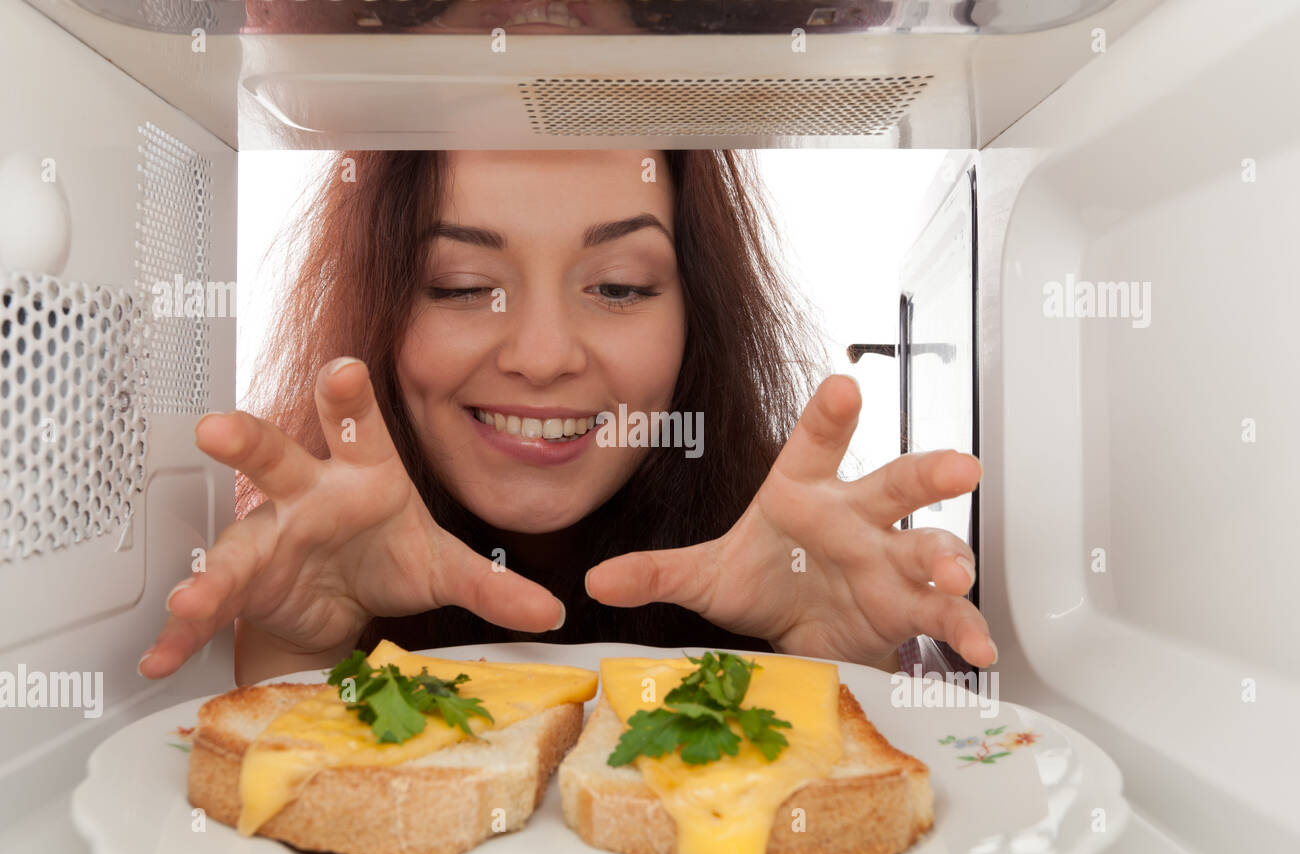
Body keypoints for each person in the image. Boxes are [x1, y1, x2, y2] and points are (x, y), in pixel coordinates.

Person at [137, 150, 992, 686]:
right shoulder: (273, 564)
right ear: (383, 306)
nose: (543, 356)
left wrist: (849, 676)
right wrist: (294, 658)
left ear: (699, 318)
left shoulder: (784, 550)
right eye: (464, 288)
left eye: (619, 286)